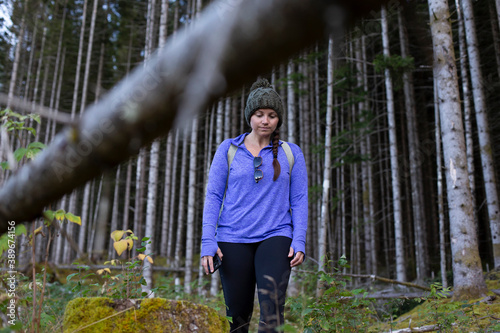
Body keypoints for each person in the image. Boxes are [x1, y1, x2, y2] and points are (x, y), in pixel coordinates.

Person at [201, 78, 308, 333]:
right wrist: (208, 240)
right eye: (259, 114)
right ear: (250, 116)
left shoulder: (291, 153)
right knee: (237, 318)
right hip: (232, 238)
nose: (265, 120)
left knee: (271, 314)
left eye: (272, 115)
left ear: (278, 119)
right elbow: (214, 195)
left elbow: (300, 199)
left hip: (276, 235)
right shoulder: (228, 149)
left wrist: (299, 239)